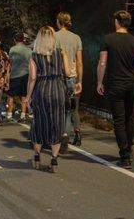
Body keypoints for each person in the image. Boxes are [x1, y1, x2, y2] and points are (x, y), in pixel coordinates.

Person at [97, 10, 134, 168]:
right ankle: (129, 150)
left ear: (117, 22)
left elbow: (102, 63)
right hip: (131, 84)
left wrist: (99, 82)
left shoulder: (108, 39)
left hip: (115, 84)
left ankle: (124, 155)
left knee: (119, 120)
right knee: (128, 118)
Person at [26, 26, 71, 173]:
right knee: (56, 123)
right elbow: (69, 72)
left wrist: (27, 96)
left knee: (39, 122)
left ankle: (37, 156)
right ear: (53, 38)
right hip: (58, 90)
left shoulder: (34, 55)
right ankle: (54, 159)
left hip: (42, 89)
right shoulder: (61, 52)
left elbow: (32, 78)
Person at [55, 12, 84, 151]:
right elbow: (79, 62)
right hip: (72, 78)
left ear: (58, 22)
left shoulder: (54, 37)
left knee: (60, 109)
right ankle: (77, 133)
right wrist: (80, 80)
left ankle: (62, 136)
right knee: (72, 107)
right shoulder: (76, 38)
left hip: (58, 78)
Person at [7, 32, 32, 122]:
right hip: (25, 74)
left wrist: (7, 74)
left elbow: (10, 63)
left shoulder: (12, 50)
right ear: (23, 39)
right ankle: (23, 115)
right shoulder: (29, 50)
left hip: (14, 74)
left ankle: (9, 114)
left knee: (10, 95)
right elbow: (31, 64)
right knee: (24, 95)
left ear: (15, 39)